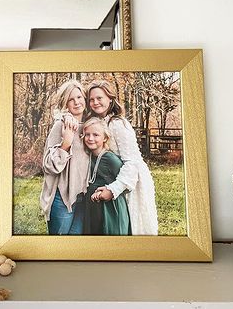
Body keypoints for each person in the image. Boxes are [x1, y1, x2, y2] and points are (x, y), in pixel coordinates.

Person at [86, 80, 158, 235]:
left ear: (110, 99)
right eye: (91, 99)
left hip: (130, 181)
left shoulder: (118, 124)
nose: (95, 102)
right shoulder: (96, 123)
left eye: (99, 98)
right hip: (111, 176)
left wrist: (114, 189)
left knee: (132, 229)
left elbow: (132, 163)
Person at [39, 79, 89, 235]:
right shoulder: (61, 125)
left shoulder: (91, 125)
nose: (76, 102)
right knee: (58, 248)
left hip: (84, 197)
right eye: (70, 99)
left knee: (75, 248)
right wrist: (66, 143)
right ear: (65, 103)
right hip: (62, 197)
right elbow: (48, 164)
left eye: (79, 97)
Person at [82, 118, 131, 235]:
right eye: (87, 135)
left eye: (96, 135)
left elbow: (125, 184)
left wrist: (106, 191)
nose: (90, 138)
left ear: (104, 138)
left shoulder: (110, 159)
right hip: (93, 207)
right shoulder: (87, 156)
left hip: (110, 208)